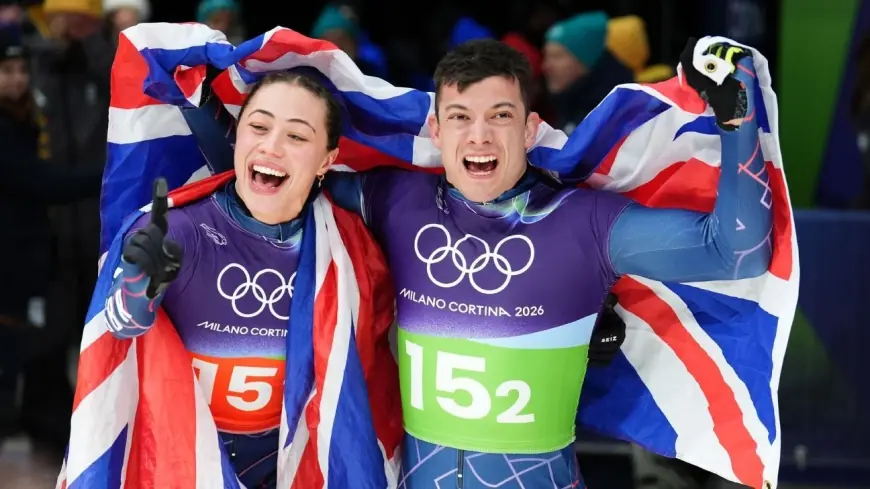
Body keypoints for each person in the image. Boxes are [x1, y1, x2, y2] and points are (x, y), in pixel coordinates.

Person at [319, 38, 772, 488]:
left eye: (501, 116)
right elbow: (291, 188)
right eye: (460, 118)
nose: (480, 136)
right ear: (436, 130)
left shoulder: (583, 224)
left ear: (530, 129)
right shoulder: (394, 201)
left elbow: (737, 253)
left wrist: (737, 113)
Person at [102, 70, 349, 488]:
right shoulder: (180, 230)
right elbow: (118, 328)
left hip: (287, 465)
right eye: (259, 126)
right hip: (181, 461)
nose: (271, 146)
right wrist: (137, 290)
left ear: (327, 160)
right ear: (239, 138)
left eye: (297, 137)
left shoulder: (343, 242)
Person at [0, 30, 102, 446]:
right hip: (9, 259)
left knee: (36, 345)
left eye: (23, 70)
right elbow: (41, 183)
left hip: (29, 254)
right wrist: (110, 171)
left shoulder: (22, 119)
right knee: (23, 348)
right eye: (7, 71)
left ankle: (39, 424)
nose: (18, 79)